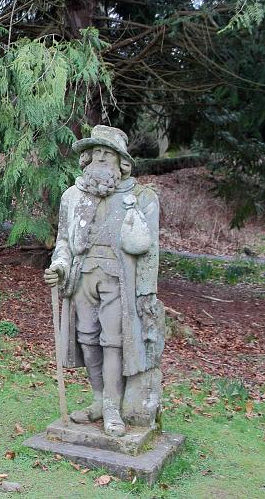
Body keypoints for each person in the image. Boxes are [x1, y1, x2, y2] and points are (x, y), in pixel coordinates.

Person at [44, 125, 163, 437]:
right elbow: (63, 242)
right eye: (96, 154)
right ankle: (98, 399)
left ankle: (112, 405)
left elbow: (148, 252)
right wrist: (58, 266)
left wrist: (145, 293)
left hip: (118, 282)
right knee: (87, 339)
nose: (100, 160)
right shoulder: (71, 197)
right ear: (87, 159)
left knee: (112, 342)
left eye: (107, 155)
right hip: (83, 279)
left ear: (120, 162)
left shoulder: (140, 198)